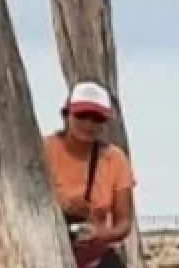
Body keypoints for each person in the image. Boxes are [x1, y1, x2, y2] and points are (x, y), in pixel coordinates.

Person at [43, 81, 136, 268]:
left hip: (94, 258)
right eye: (81, 116)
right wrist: (63, 208)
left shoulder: (115, 159)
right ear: (66, 115)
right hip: (46, 252)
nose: (89, 124)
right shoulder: (42, 150)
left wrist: (99, 234)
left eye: (97, 118)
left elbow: (124, 223)